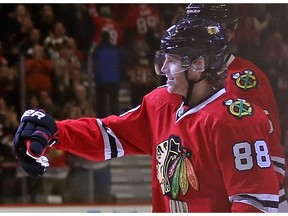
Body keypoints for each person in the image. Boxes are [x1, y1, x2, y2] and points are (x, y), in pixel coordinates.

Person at [13, 16, 279, 212]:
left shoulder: (236, 120)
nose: (162, 68)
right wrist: (56, 131)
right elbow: (109, 135)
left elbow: (255, 202)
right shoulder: (160, 103)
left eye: (171, 59)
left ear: (198, 64)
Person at [184, 3, 287, 211]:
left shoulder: (246, 78)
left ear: (229, 34)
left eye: (205, 27)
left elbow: (265, 141)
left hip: (250, 195)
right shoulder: (181, 75)